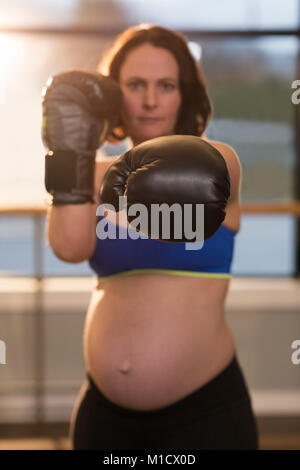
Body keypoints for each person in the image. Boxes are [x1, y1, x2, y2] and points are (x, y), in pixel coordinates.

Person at [42, 24, 259, 450]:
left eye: (166, 85)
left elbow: (201, 178)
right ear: (113, 94)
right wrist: (70, 155)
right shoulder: (92, 173)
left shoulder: (218, 163)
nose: (150, 100)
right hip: (105, 417)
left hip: (204, 415)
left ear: (185, 95)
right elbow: (69, 248)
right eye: (135, 85)